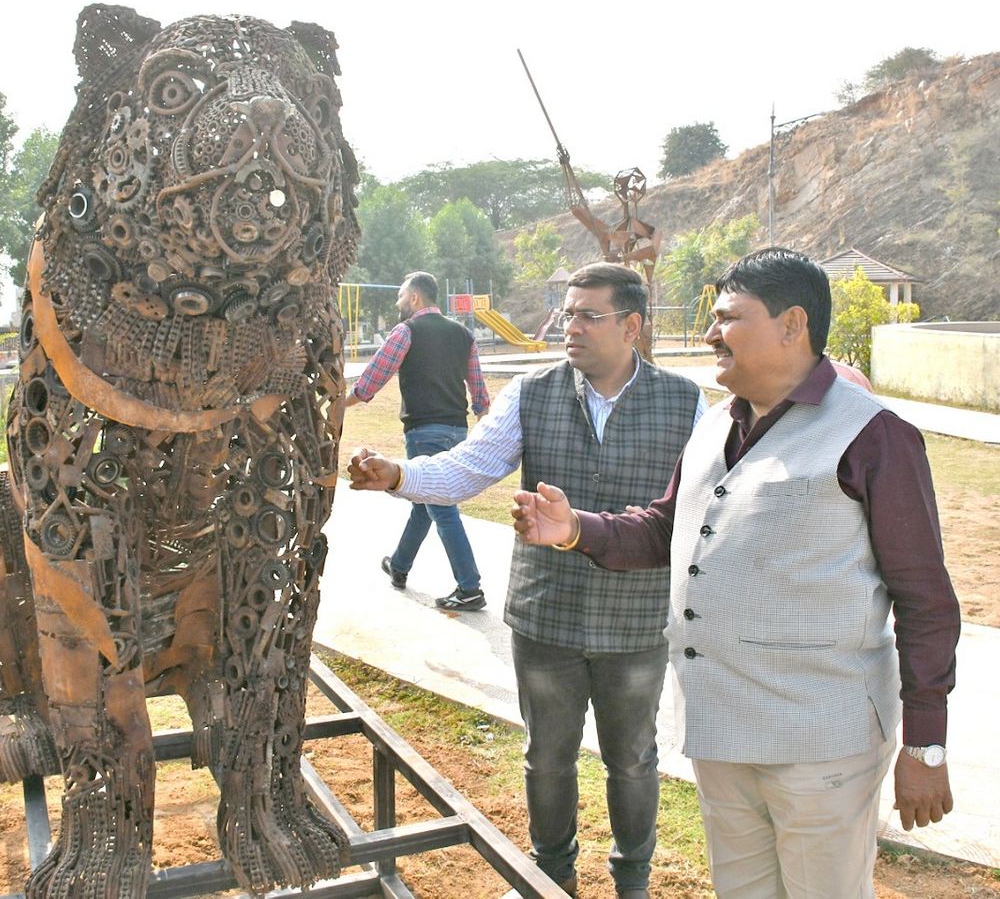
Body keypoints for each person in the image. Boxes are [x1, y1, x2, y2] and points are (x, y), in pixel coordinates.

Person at [511, 248, 961, 899]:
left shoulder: (874, 436)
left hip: (821, 747)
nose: (708, 333)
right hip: (721, 733)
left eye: (728, 318)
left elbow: (926, 601)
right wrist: (578, 528)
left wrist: (926, 747)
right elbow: (670, 527)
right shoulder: (713, 423)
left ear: (792, 324)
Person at [348, 262, 705, 899]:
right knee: (547, 758)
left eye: (588, 315)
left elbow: (703, 510)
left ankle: (634, 883)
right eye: (568, 312)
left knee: (633, 761)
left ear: (631, 326)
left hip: (637, 618)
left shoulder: (686, 403)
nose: (571, 326)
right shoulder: (532, 393)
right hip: (548, 616)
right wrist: (400, 476)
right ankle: (551, 875)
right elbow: (467, 468)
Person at [346, 271, 490, 611]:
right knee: (424, 501)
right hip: (457, 429)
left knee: (441, 508)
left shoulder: (406, 331)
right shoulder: (463, 333)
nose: (397, 302)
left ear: (414, 298)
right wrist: (483, 415)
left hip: (426, 432)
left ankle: (470, 587)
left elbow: (373, 379)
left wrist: (342, 401)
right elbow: (479, 390)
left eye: (400, 296)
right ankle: (399, 565)